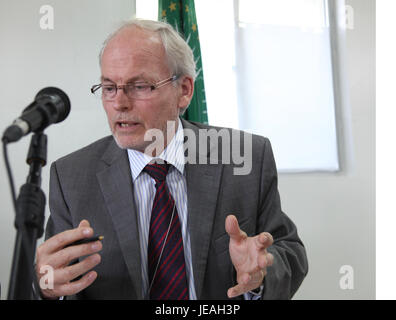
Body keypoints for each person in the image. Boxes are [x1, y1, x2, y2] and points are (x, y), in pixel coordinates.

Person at [35, 19, 308, 300]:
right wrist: (45, 287)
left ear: (185, 90)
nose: (119, 103)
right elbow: (56, 277)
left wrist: (261, 274)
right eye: (108, 88)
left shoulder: (245, 156)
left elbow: (289, 251)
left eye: (139, 86)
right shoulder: (71, 176)